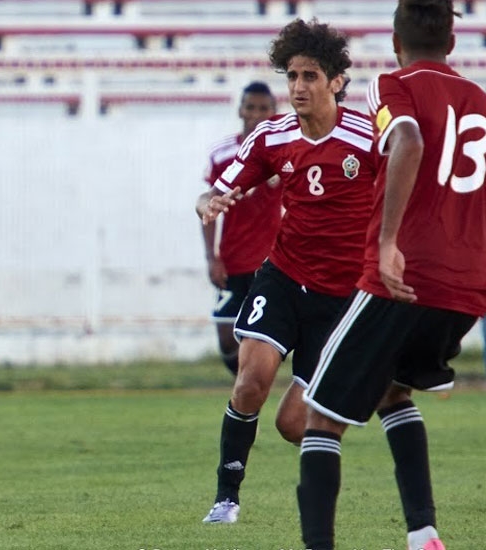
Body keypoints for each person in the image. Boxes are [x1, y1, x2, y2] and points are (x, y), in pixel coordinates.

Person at [297, 2, 486, 549]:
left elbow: (408, 140)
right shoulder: (478, 102)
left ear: (396, 43)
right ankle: (424, 534)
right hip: (464, 289)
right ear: (452, 44)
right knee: (393, 393)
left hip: (403, 278)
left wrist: (387, 244)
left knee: (321, 419)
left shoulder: (393, 84)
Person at [195, 19, 378, 524]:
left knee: (294, 424)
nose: (297, 87)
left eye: (310, 76)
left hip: (341, 297)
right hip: (283, 277)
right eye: (292, 75)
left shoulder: (369, 139)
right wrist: (210, 202)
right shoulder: (271, 137)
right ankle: (226, 499)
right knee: (250, 381)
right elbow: (218, 188)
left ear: (337, 81)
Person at [200, 81, 282, 378]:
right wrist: (212, 257)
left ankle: (252, 394)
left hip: (272, 263)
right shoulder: (222, 155)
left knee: (268, 337)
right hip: (233, 262)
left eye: (263, 108)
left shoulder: (284, 152)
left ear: (274, 112)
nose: (256, 114)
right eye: (250, 107)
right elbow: (208, 210)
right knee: (226, 338)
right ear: (240, 110)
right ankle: (247, 385)